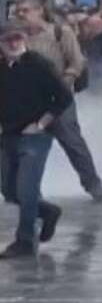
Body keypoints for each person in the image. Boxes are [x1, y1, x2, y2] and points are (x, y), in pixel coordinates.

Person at [14, 0, 102, 202]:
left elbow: (77, 60)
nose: (21, 15)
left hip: (58, 99)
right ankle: (30, 191)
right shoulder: (16, 37)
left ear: (39, 10)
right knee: (28, 147)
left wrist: (66, 80)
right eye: (18, 11)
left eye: (25, 10)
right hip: (28, 102)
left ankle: (93, 185)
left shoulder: (59, 33)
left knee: (73, 143)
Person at [0, 22, 68, 258]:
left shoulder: (38, 65)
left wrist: (41, 124)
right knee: (9, 190)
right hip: (7, 135)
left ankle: (25, 241)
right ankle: (47, 212)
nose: (14, 43)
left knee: (26, 189)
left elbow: (63, 97)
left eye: (18, 38)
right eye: (8, 40)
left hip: (35, 138)